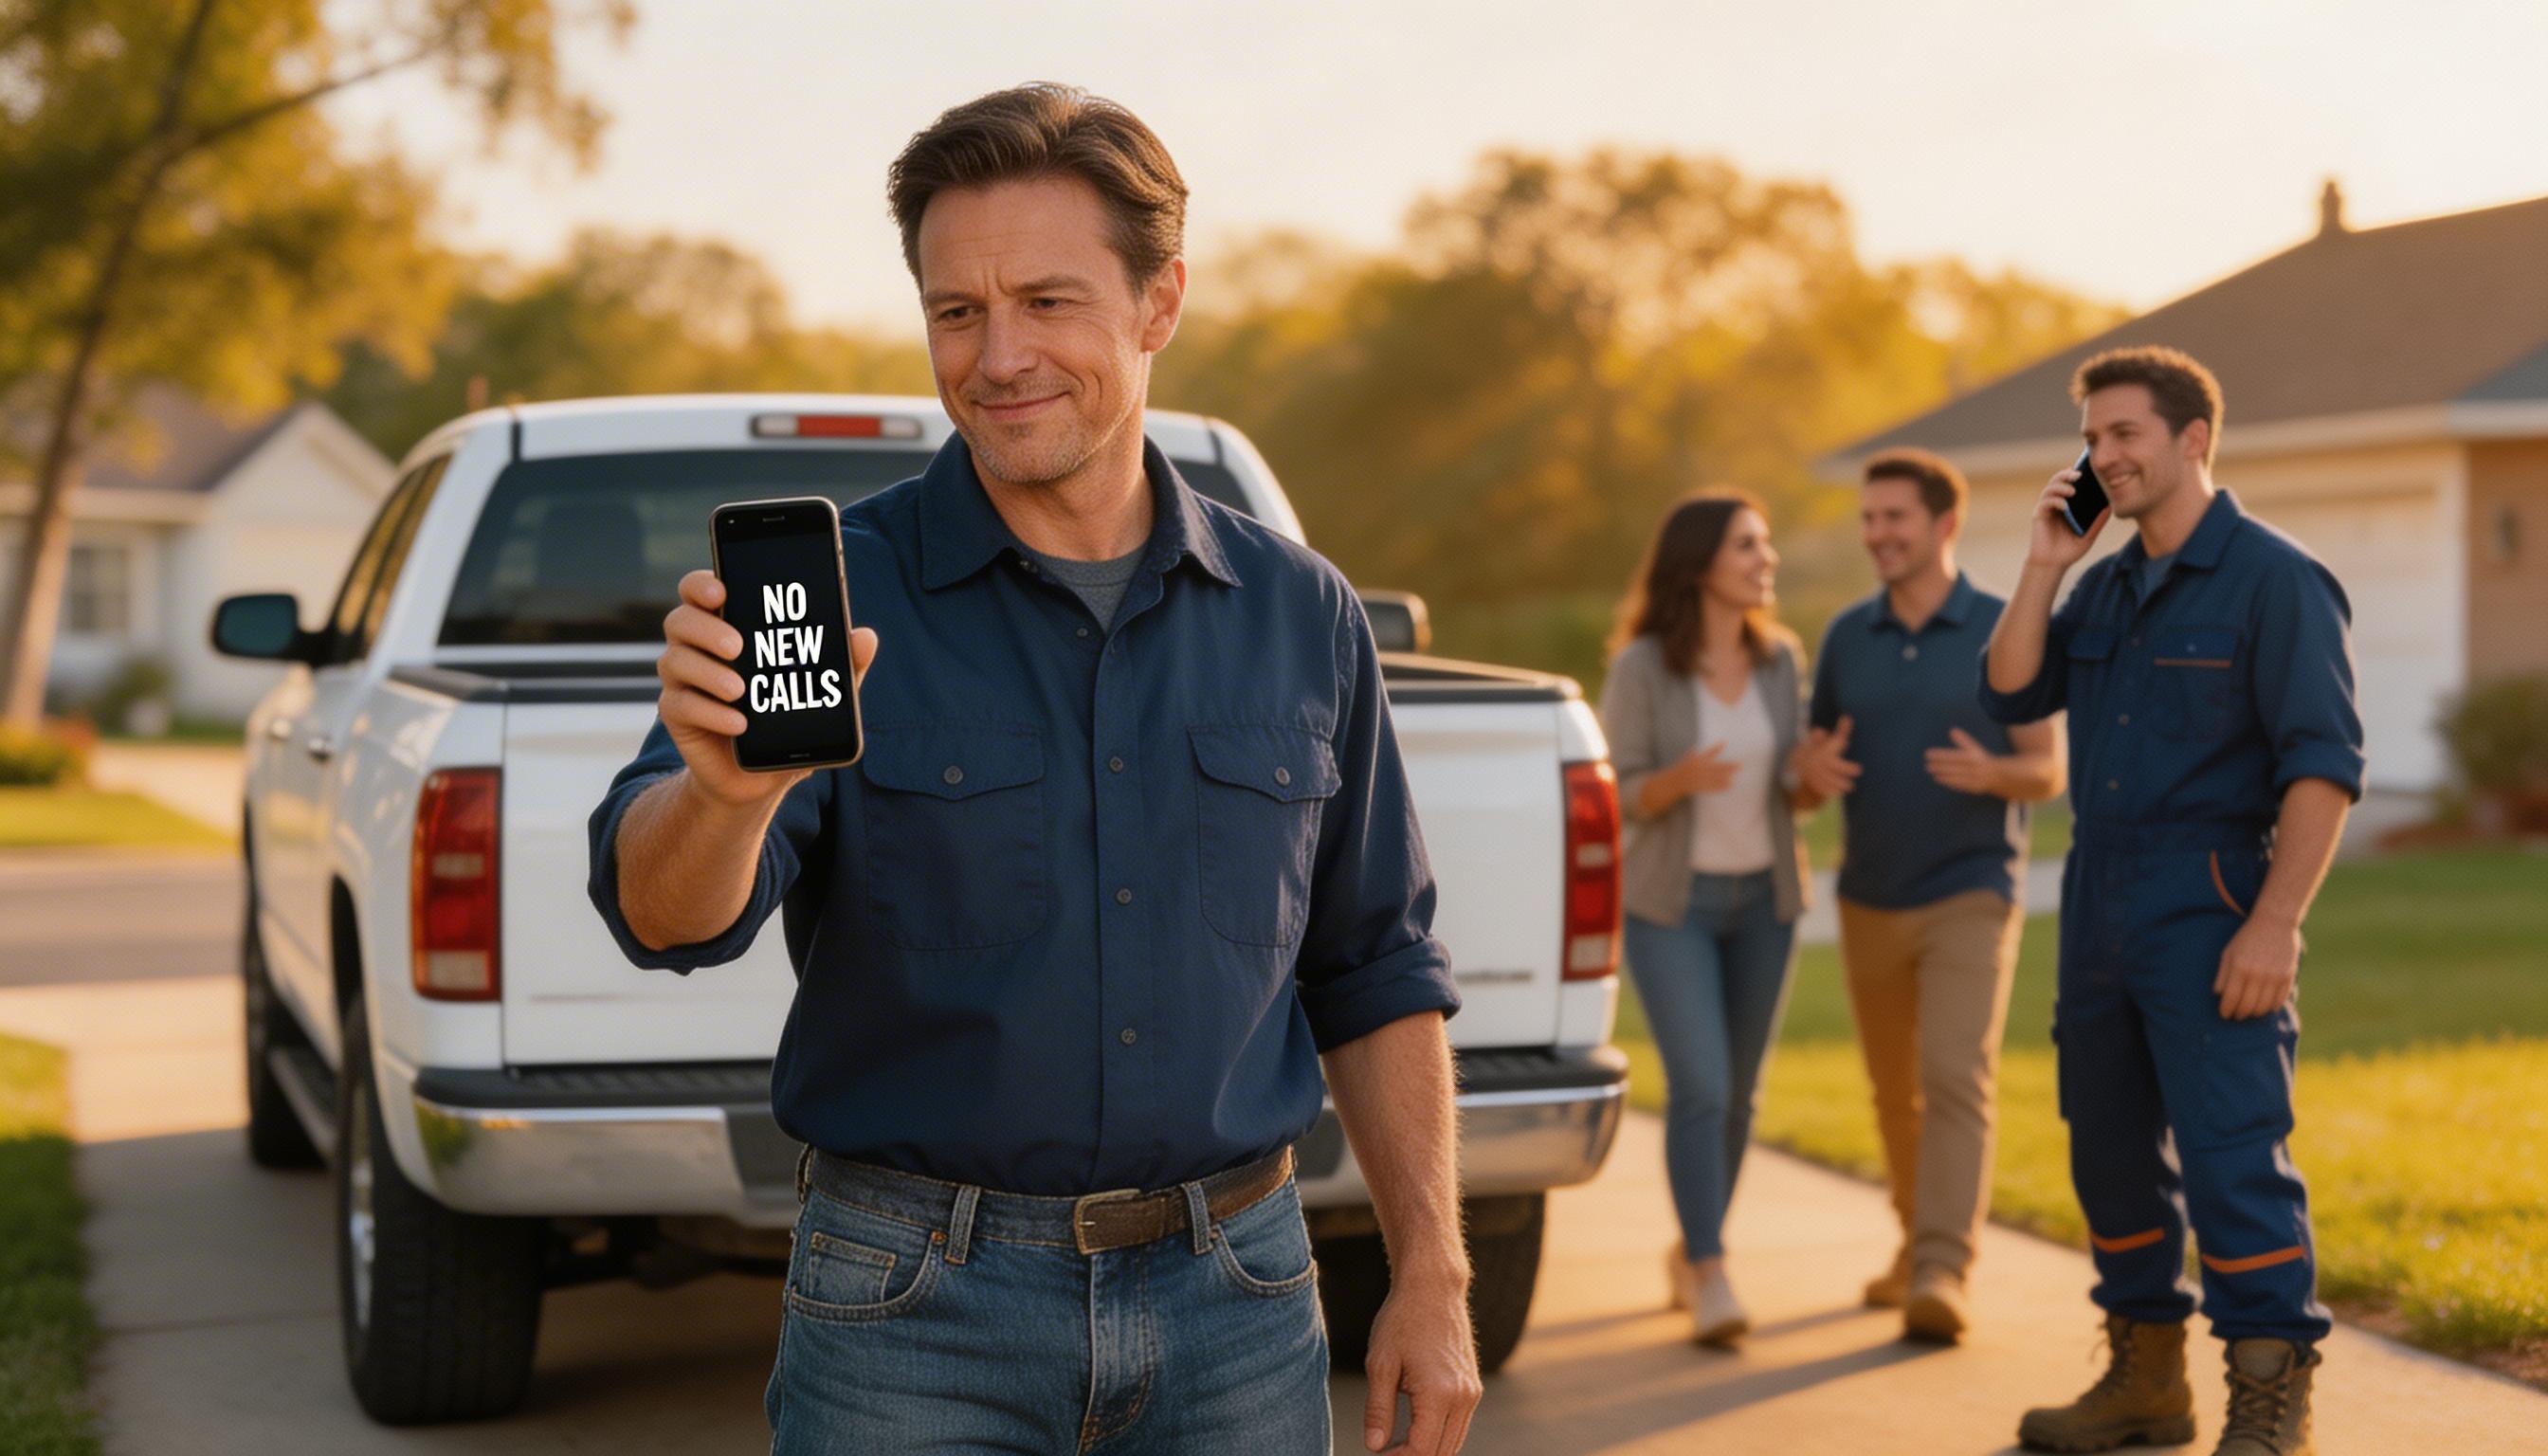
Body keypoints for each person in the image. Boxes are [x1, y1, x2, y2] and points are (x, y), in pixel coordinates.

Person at [587, 85, 1483, 1456]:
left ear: (1159, 303)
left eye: (1049, 304)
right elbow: (666, 919)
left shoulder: (1302, 615)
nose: (996, 357)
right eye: (957, 312)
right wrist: (722, 790)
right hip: (909, 1316)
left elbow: (1376, 970)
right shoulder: (834, 595)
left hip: (1238, 1301)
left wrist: (1434, 1270)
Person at [1982, 347, 2360, 1456]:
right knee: (2105, 1148)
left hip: (2210, 894)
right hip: (2098, 893)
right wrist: (2047, 562)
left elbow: (2323, 765)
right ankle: (2145, 1380)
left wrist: (2275, 921)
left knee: (2232, 1148)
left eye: (2125, 436)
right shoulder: (2100, 582)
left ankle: (2269, 1393)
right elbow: (2010, 689)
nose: (2104, 458)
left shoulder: (2275, 580)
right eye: (2093, 440)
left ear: (2194, 439)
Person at [1800, 447, 2065, 1344]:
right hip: (1868, 892)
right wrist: (1806, 775)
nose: (1877, 535)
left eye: (1894, 519)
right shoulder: (1845, 636)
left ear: (1943, 524)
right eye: (1869, 520)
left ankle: (1945, 1267)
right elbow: (1809, 772)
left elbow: (2048, 769)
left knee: (1955, 1074)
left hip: (1970, 890)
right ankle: (1916, 1246)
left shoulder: (2004, 624)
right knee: (1892, 1090)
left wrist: (1995, 772)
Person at [1598, 489, 1813, 1348]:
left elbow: (1791, 787)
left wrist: (1815, 775)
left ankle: (1693, 1253)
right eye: (1748, 547)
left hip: (1767, 902)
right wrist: (1674, 783)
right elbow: (1619, 794)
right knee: (1702, 1087)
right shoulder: (1643, 667)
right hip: (1671, 907)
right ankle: (1714, 1270)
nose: (1767, 560)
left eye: (1765, 545)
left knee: (1740, 1100)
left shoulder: (1780, 660)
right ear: (1701, 564)